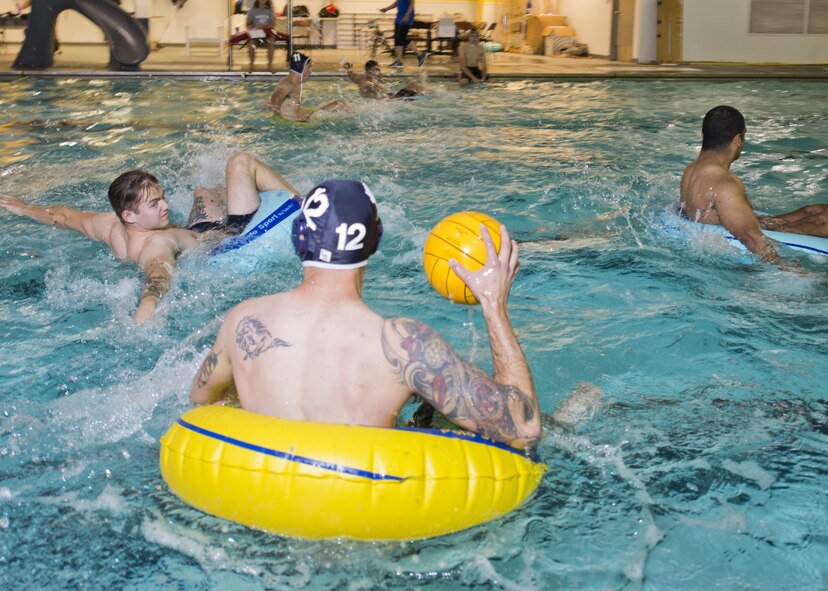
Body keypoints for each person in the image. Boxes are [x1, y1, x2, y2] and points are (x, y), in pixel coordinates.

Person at [189, 179, 542, 450]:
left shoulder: (242, 320)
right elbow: (524, 430)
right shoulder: (404, 344)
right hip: (362, 512)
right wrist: (494, 306)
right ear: (375, 240)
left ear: (299, 239)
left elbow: (202, 401)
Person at [0, 153, 298, 323]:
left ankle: (212, 195)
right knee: (240, 163)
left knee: (206, 192)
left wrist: (25, 208)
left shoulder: (109, 226)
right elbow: (157, 278)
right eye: (155, 205)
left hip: (197, 229)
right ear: (130, 215)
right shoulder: (157, 245)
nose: (166, 205)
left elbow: (62, 216)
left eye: (162, 198)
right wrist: (144, 313)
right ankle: (311, 205)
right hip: (227, 236)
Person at [679, 105, 828, 261]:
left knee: (813, 210)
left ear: (703, 135)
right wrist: (792, 271)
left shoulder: (690, 171)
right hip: (744, 232)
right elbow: (751, 238)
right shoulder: (724, 182)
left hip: (736, 221)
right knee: (822, 221)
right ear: (737, 140)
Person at [269, 52, 349, 122]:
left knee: (340, 104)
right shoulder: (288, 83)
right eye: (308, 67)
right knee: (339, 105)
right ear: (300, 69)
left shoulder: (295, 82)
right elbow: (277, 95)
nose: (311, 71)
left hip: (304, 117)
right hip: (299, 123)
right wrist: (273, 105)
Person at [379, 0, 428, 69]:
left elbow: (412, 2)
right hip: (399, 18)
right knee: (398, 40)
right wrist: (386, 9)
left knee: (400, 39)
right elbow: (396, 3)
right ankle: (399, 61)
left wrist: (407, 14)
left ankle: (419, 54)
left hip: (405, 18)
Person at [343, 60, 423, 99]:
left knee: (414, 86)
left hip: (386, 98)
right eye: (376, 70)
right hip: (386, 103)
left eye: (379, 70)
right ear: (368, 70)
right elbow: (365, 85)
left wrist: (348, 68)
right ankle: (432, 93)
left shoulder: (358, 76)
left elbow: (350, 73)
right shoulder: (365, 79)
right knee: (413, 86)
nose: (379, 72)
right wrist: (371, 86)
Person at [245, 0, 277, 72]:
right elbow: (247, 24)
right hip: (256, 34)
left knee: (271, 42)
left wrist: (264, 26)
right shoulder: (252, 9)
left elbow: (273, 25)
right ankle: (251, 65)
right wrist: (250, 26)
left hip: (267, 34)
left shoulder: (270, 9)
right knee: (251, 45)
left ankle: (270, 65)